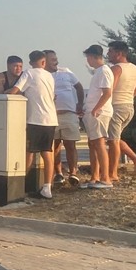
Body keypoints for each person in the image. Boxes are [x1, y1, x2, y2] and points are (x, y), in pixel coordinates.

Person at [6, 50, 57, 199]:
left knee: (29, 152)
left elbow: (16, 91)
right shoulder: (49, 76)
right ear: (43, 62)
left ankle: (19, 185)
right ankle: (47, 187)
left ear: (30, 62)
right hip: (51, 118)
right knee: (47, 153)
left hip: (36, 119)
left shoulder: (28, 73)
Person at [106, 40, 136, 183]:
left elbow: (110, 90)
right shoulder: (135, 68)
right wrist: (127, 97)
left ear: (118, 53)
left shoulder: (116, 69)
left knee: (113, 141)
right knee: (114, 138)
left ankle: (112, 173)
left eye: (110, 51)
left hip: (116, 106)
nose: (107, 54)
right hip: (129, 106)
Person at [44, 50, 85, 187]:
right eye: (52, 59)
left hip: (69, 113)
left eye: (56, 58)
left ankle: (73, 173)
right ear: (44, 61)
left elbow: (79, 87)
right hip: (52, 115)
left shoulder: (66, 72)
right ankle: (58, 173)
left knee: (70, 145)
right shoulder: (42, 75)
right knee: (54, 146)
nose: (56, 61)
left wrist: (80, 104)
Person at [82, 45, 114, 189]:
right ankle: (95, 176)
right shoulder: (98, 72)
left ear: (94, 57)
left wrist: (96, 108)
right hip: (92, 111)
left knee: (99, 143)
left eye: (88, 57)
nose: (87, 61)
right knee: (93, 143)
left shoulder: (104, 71)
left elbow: (107, 92)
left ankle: (105, 177)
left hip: (99, 113)